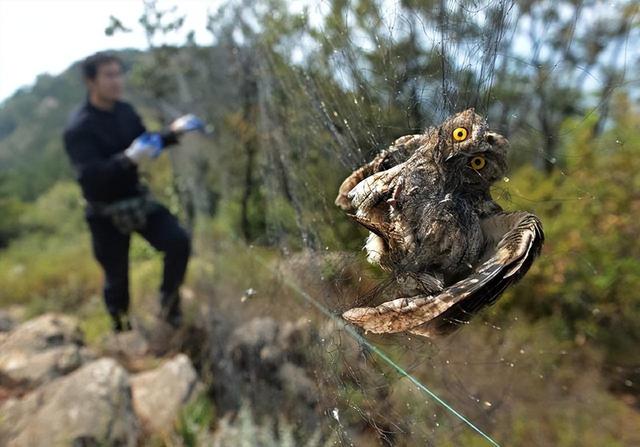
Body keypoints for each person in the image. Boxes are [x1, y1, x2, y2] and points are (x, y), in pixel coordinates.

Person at [63, 52, 192, 332]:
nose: (117, 80)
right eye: (108, 75)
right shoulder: (79, 128)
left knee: (178, 240)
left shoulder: (125, 112)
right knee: (117, 277)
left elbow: (145, 140)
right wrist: (128, 159)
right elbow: (91, 176)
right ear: (91, 81)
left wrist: (173, 132)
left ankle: (169, 308)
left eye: (118, 73)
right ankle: (121, 331)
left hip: (136, 199)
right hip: (104, 211)